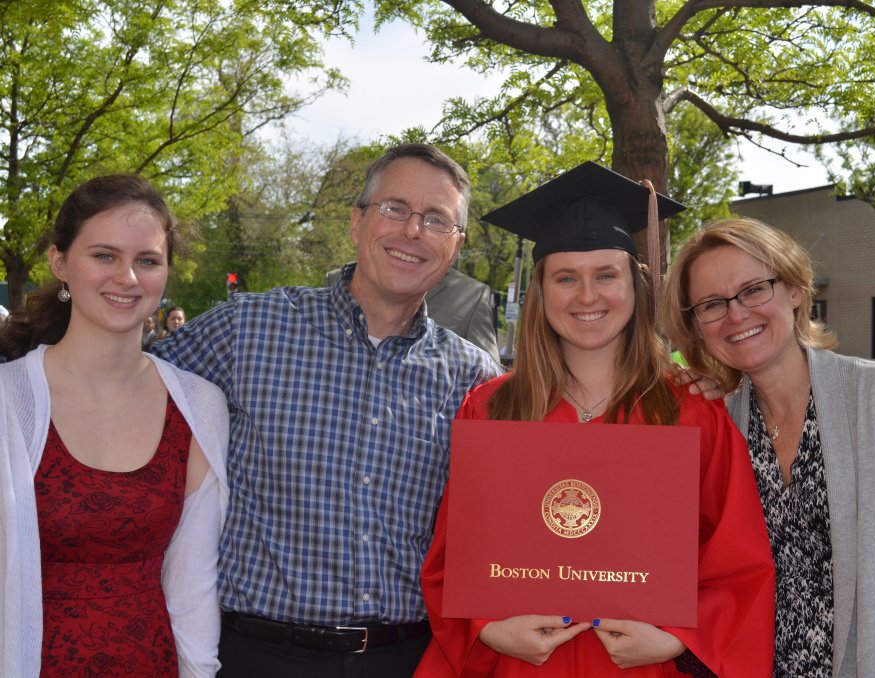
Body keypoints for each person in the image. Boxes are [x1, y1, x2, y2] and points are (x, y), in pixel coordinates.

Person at [149, 144, 502, 677]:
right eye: (395, 209)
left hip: (406, 660)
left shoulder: (472, 378)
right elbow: (122, 383)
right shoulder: (248, 330)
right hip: (258, 657)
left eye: (436, 220)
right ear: (357, 221)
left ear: (456, 246)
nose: (412, 232)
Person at [415, 162, 775, 677]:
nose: (587, 296)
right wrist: (485, 627)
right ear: (541, 292)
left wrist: (678, 638)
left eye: (606, 274)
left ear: (636, 283)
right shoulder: (492, 410)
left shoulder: (692, 414)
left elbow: (740, 565)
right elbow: (453, 558)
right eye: (566, 278)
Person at [662, 216, 875, 677]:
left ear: (796, 290)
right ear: (696, 325)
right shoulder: (723, 425)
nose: (737, 314)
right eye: (712, 304)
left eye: (753, 290)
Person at [0, 174, 229, 677]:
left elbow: (193, 586)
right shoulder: (7, 401)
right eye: (104, 255)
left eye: (146, 261)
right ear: (60, 262)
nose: (127, 277)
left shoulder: (197, 406)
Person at [326, 264, 501, 364]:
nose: (413, 231)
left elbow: (490, 385)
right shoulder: (338, 279)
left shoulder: (471, 294)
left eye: (434, 221)